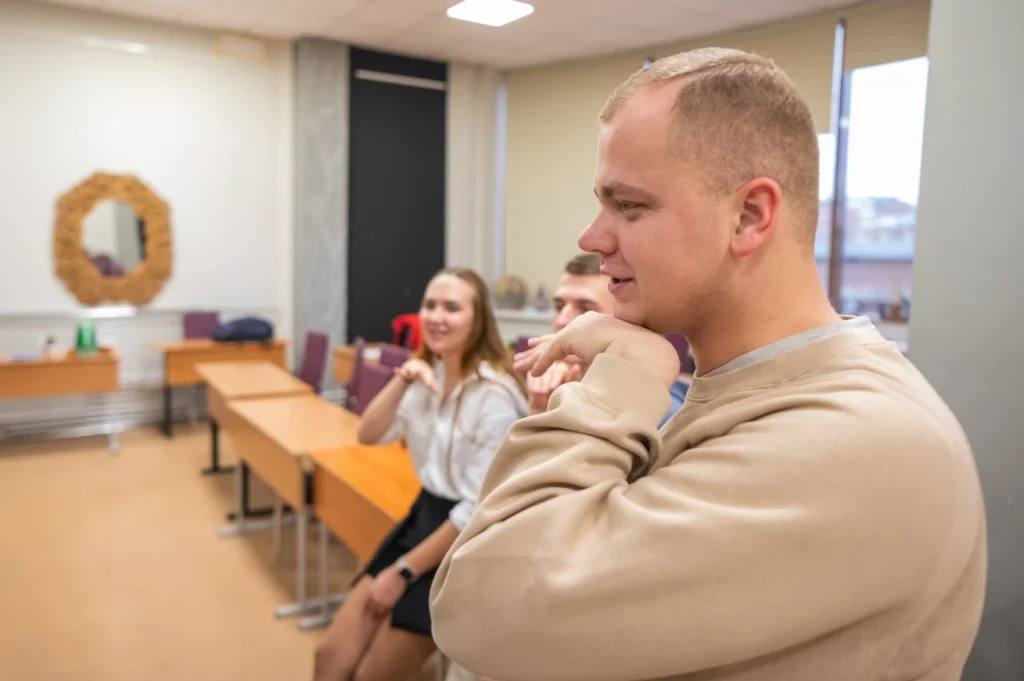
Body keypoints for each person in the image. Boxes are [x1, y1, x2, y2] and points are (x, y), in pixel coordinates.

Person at [430, 48, 986, 681]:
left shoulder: (865, 436)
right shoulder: (743, 387)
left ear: (748, 216)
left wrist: (621, 382)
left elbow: (481, 612)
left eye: (630, 206)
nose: (592, 237)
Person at [314, 267, 528, 681]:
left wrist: (403, 572)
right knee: (329, 658)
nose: (436, 316)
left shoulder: (496, 397)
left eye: (452, 307)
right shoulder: (428, 377)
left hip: (465, 542)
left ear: (477, 319)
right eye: (430, 305)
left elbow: (473, 510)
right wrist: (401, 380)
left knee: (371, 676)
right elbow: (368, 434)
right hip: (423, 519)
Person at [527, 252, 690, 426]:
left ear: (627, 319)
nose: (561, 321)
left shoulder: (658, 412)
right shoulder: (552, 386)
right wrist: (540, 410)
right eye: (559, 307)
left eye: (585, 310)